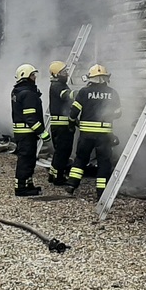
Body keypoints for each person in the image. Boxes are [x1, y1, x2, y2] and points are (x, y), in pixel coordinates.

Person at [65, 64, 121, 198]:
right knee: (104, 162)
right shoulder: (113, 93)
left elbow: (74, 111)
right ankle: (101, 193)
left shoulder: (84, 92)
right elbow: (118, 113)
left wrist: (72, 122)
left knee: (81, 159)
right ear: (106, 78)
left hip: (86, 134)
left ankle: (71, 185)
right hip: (104, 135)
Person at [10, 64, 50, 196]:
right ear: (26, 76)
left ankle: (28, 184)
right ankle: (21, 188)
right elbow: (30, 117)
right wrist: (42, 133)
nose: (35, 77)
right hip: (27, 133)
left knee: (29, 159)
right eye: (33, 75)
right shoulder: (28, 94)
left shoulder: (18, 91)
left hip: (23, 132)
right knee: (26, 160)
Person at [46, 61, 77, 185]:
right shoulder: (58, 86)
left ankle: (53, 174)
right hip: (62, 126)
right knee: (63, 151)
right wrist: (84, 92)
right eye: (64, 72)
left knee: (59, 151)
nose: (67, 74)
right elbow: (67, 96)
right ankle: (58, 178)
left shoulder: (58, 84)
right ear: (56, 74)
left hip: (60, 125)